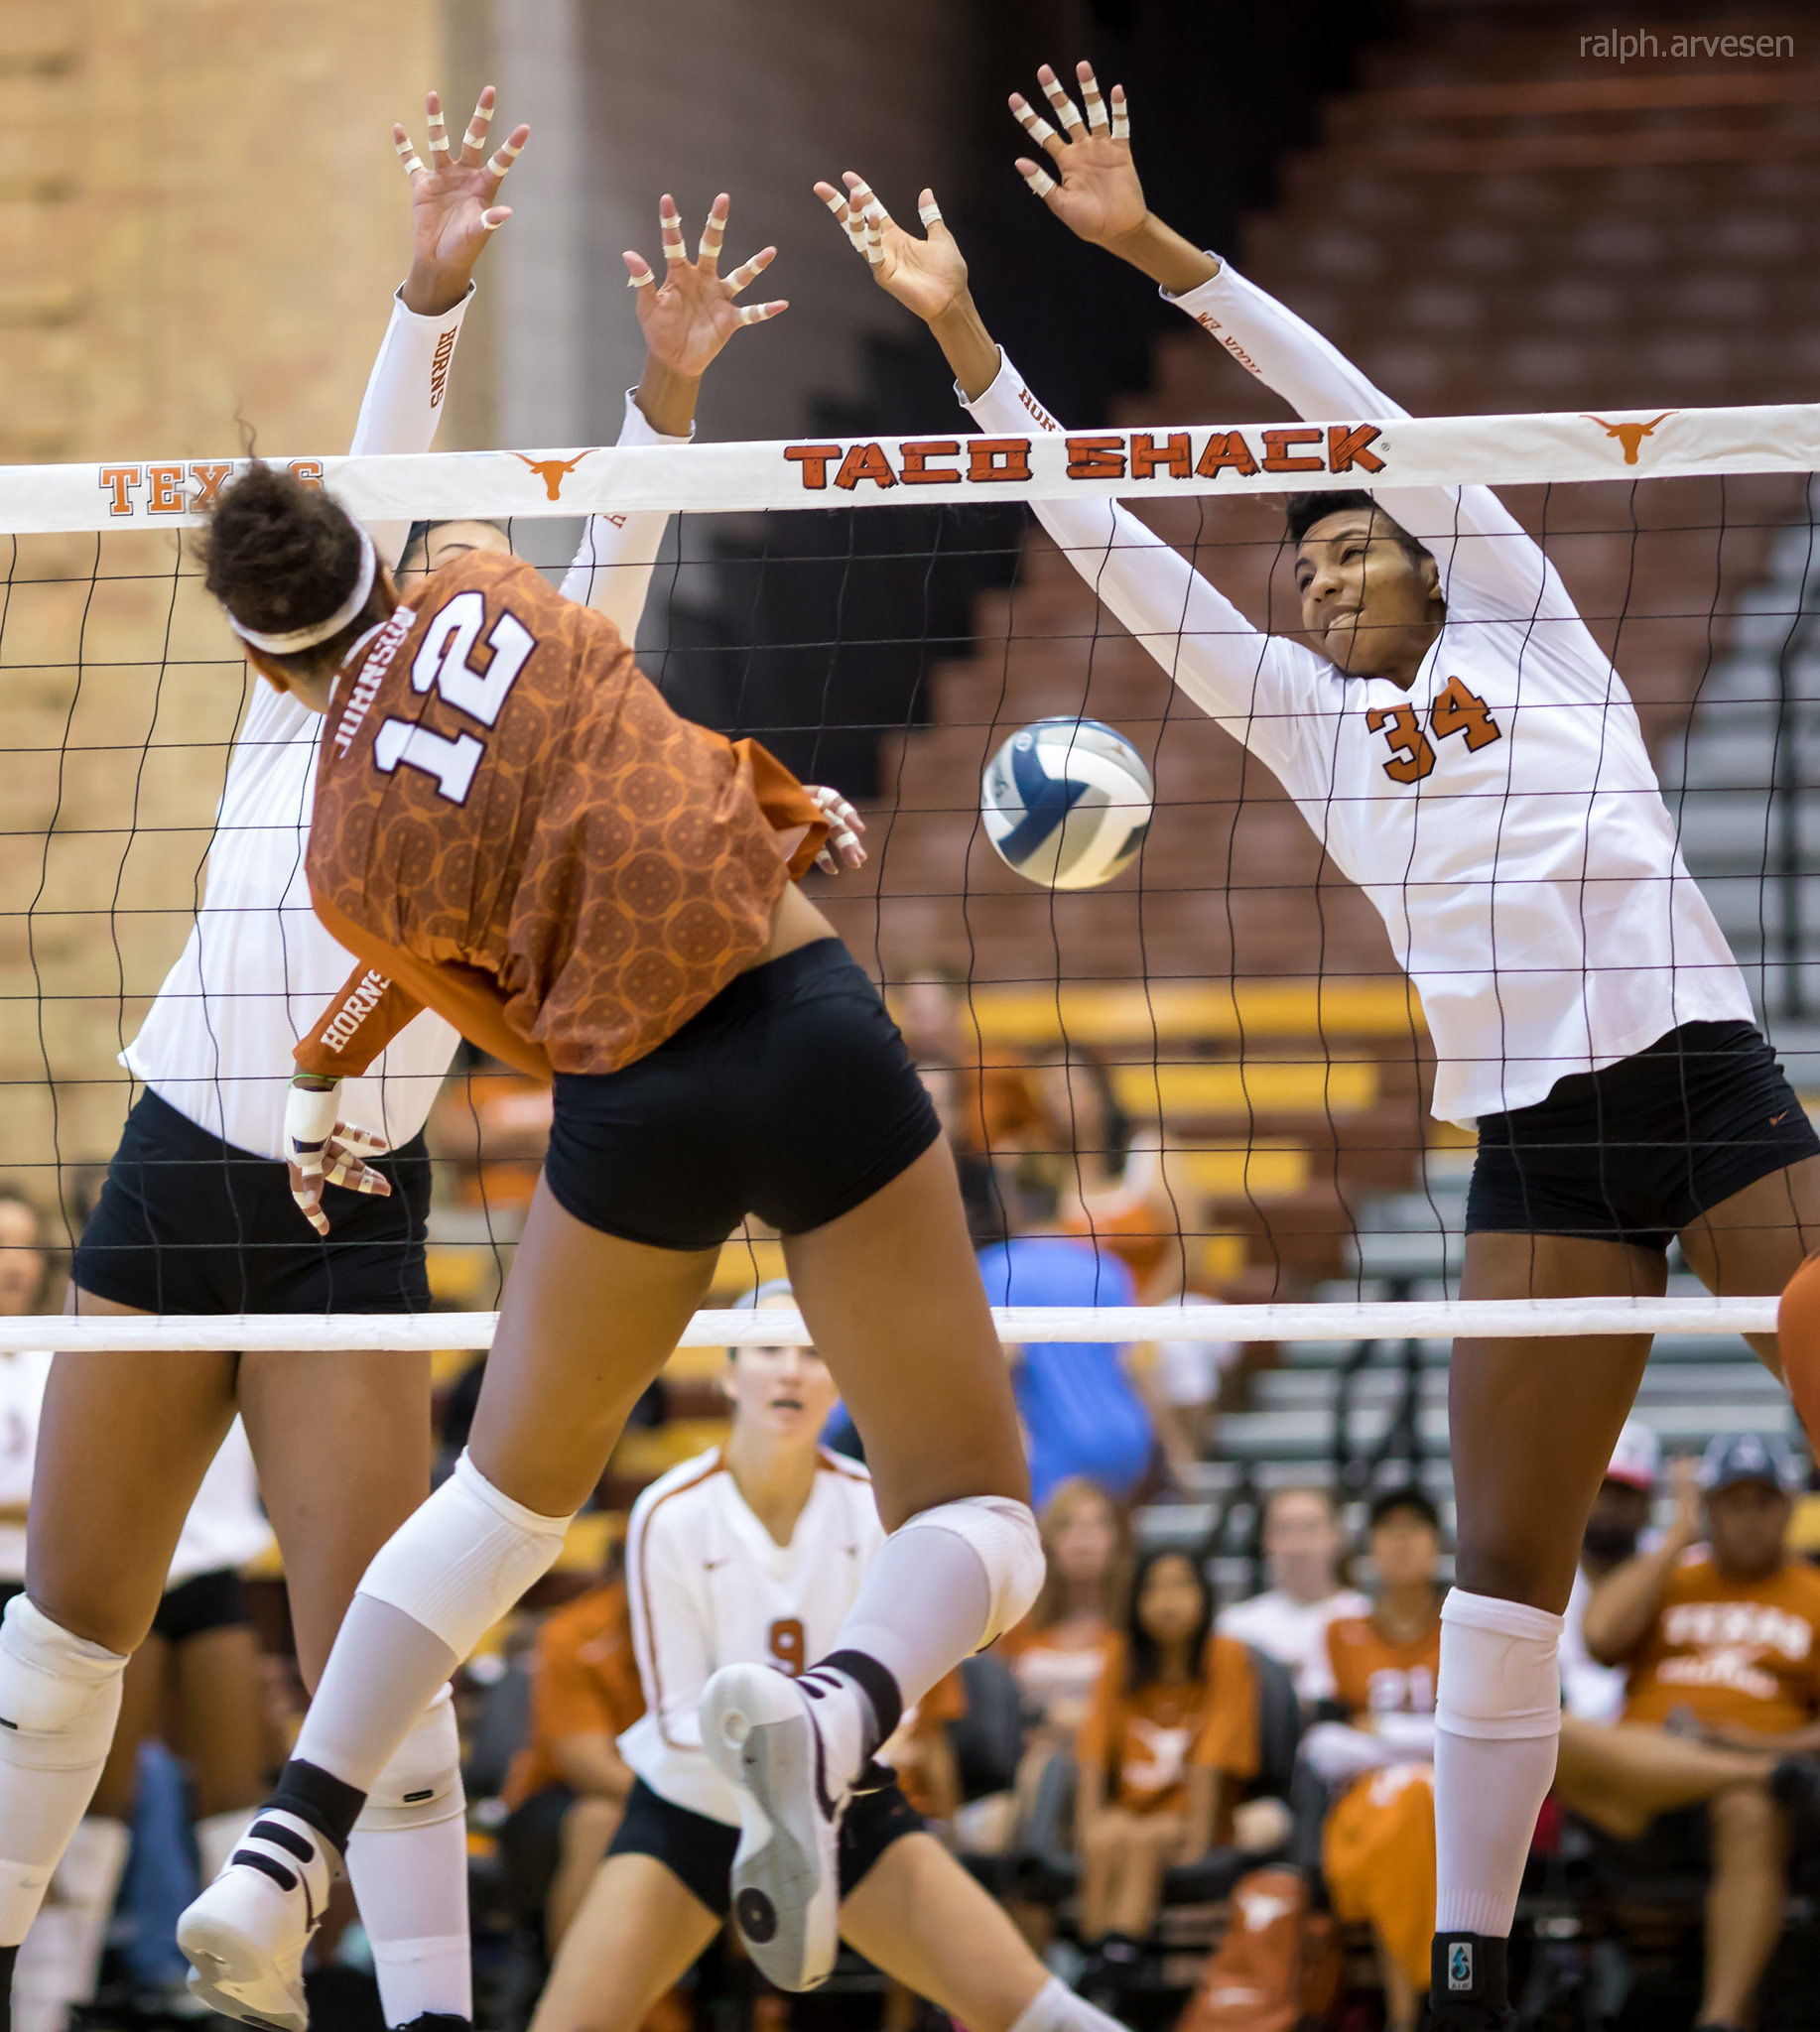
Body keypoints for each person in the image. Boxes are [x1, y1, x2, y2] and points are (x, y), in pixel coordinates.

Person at [822, 57, 1820, 2021]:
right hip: (1536, 1155)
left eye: (1356, 544)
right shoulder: (1302, 723)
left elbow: (1343, 405)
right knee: (1500, 1574)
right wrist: (967, 345)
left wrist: (1151, 251)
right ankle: (1465, 1966)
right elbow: (1106, 540)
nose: (1325, 566)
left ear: (1432, 556)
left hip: (1709, 1090)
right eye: (1306, 562)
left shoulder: (1524, 624)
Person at [176, 175, 1041, 2025]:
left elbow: (500, 1024)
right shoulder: (488, 572)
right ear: (376, 548)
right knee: (981, 1507)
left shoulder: (338, 862)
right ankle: (838, 1717)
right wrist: (776, 803)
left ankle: (281, 1841)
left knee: (498, 1497)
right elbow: (634, 715)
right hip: (794, 1011)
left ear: (264, 653)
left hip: (623, 1095)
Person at [0, 89, 786, 2032]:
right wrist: (431, 280)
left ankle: (431, 2011)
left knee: (384, 1651)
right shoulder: (309, 699)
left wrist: (664, 401)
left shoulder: (520, 721)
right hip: (188, 1153)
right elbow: (362, 479)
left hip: (353, 1199)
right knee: (62, 1639)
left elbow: (597, 577)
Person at [530, 1282, 1112, 2032]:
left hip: (844, 1802)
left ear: (837, 1378)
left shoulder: (878, 1505)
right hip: (691, 1811)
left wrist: (814, 1773)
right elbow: (676, 1719)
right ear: (729, 1372)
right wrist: (781, 1773)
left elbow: (899, 1701)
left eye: (811, 1354)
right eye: (769, 1350)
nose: (790, 1371)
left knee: (1029, 2009)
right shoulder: (669, 1513)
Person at [1550, 1433, 1820, 2032]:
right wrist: (1677, 1537)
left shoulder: (1814, 1593)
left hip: (1745, 1799)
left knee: (1751, 1809)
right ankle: (1762, 1777)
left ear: (1790, 1507)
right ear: (1708, 1507)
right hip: (1641, 1787)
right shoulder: (1672, 1575)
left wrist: (1757, 1745)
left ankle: (1720, 2018)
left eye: (1764, 1501)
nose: (1748, 1519)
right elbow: (1598, 1637)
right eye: (1731, 1502)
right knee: (1545, 1729)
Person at [1073, 1548, 1258, 1993]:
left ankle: (1113, 1959)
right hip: (1132, 1810)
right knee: (1111, 1833)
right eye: (1153, 1588)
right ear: (1135, 1601)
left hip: (1195, 1816)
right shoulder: (1120, 1655)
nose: (1167, 1600)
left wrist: (1197, 1846)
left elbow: (1213, 1763)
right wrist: (1089, 1828)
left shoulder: (1226, 1656)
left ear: (1204, 1596)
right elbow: (1093, 1752)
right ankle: (1100, 1956)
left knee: (1142, 1836)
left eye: (1181, 1585)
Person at [1301, 1489, 1445, 2032]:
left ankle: (1407, 2014)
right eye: (1389, 1530)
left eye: (1417, 1528)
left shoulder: (1465, 1628)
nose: (1403, 1542)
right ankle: (1424, 2008)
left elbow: (1483, 1741)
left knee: (1416, 1798)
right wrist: (1429, 1738)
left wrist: (1378, 1732)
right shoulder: (1339, 1632)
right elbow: (1322, 1748)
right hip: (1362, 1818)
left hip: (1456, 1812)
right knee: (1409, 1800)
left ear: (1439, 1544)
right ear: (1369, 1549)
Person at [977, 1180, 1155, 1510]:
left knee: (1057, 1553)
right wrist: (1174, 1451)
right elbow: (1135, 1366)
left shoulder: (998, 1268)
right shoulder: (1106, 1266)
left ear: (1011, 1205)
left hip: (1054, 1446)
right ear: (1062, 1203)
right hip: (1124, 1441)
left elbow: (1004, 1364)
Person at [497, 1566, 642, 1953]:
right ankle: (572, 1992)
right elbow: (589, 1766)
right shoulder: (576, 1631)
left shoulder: (719, 1625)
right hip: (559, 1794)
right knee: (600, 1819)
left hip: (678, 1788)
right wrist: (681, 1800)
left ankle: (757, 2001)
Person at [1218, 1487, 1369, 1705]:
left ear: (1337, 1537)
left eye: (1310, 1528)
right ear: (1266, 1541)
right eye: (1284, 1529)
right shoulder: (1236, 1627)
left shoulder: (1367, 1617)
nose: (1297, 1545)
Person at [1558, 1422, 1658, 1724]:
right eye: (1599, 1488)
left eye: (1624, 1492)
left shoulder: (1674, 1565)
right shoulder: (1537, 1569)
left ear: (1648, 1503)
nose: (1608, 1506)